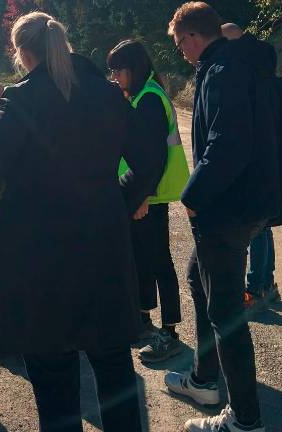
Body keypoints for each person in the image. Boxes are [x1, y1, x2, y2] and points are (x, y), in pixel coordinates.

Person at [0, 11, 161, 432]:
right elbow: (151, 157)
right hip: (103, 249)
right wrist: (121, 202)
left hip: (41, 263)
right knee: (115, 367)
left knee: (53, 376)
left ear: (22, 53)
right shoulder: (107, 95)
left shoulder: (24, 100)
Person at [164, 3, 282, 432]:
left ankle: (245, 420)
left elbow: (226, 144)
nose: (182, 54)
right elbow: (268, 57)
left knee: (226, 314)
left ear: (193, 38)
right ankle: (203, 379)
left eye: (180, 46)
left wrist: (193, 195)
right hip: (248, 206)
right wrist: (244, 37)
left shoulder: (220, 71)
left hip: (227, 209)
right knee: (199, 279)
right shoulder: (242, 59)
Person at [106, 40, 191, 362]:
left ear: (133, 68)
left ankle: (170, 331)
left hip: (149, 196)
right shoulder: (141, 96)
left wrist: (142, 197)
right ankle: (143, 320)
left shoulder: (151, 100)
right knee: (141, 259)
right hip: (143, 194)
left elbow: (153, 159)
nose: (114, 76)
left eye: (118, 70)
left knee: (158, 262)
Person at [220, 23, 282, 309]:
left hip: (259, 170)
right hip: (276, 167)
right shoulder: (279, 85)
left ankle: (257, 288)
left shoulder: (253, 85)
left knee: (256, 228)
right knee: (264, 226)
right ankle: (265, 284)